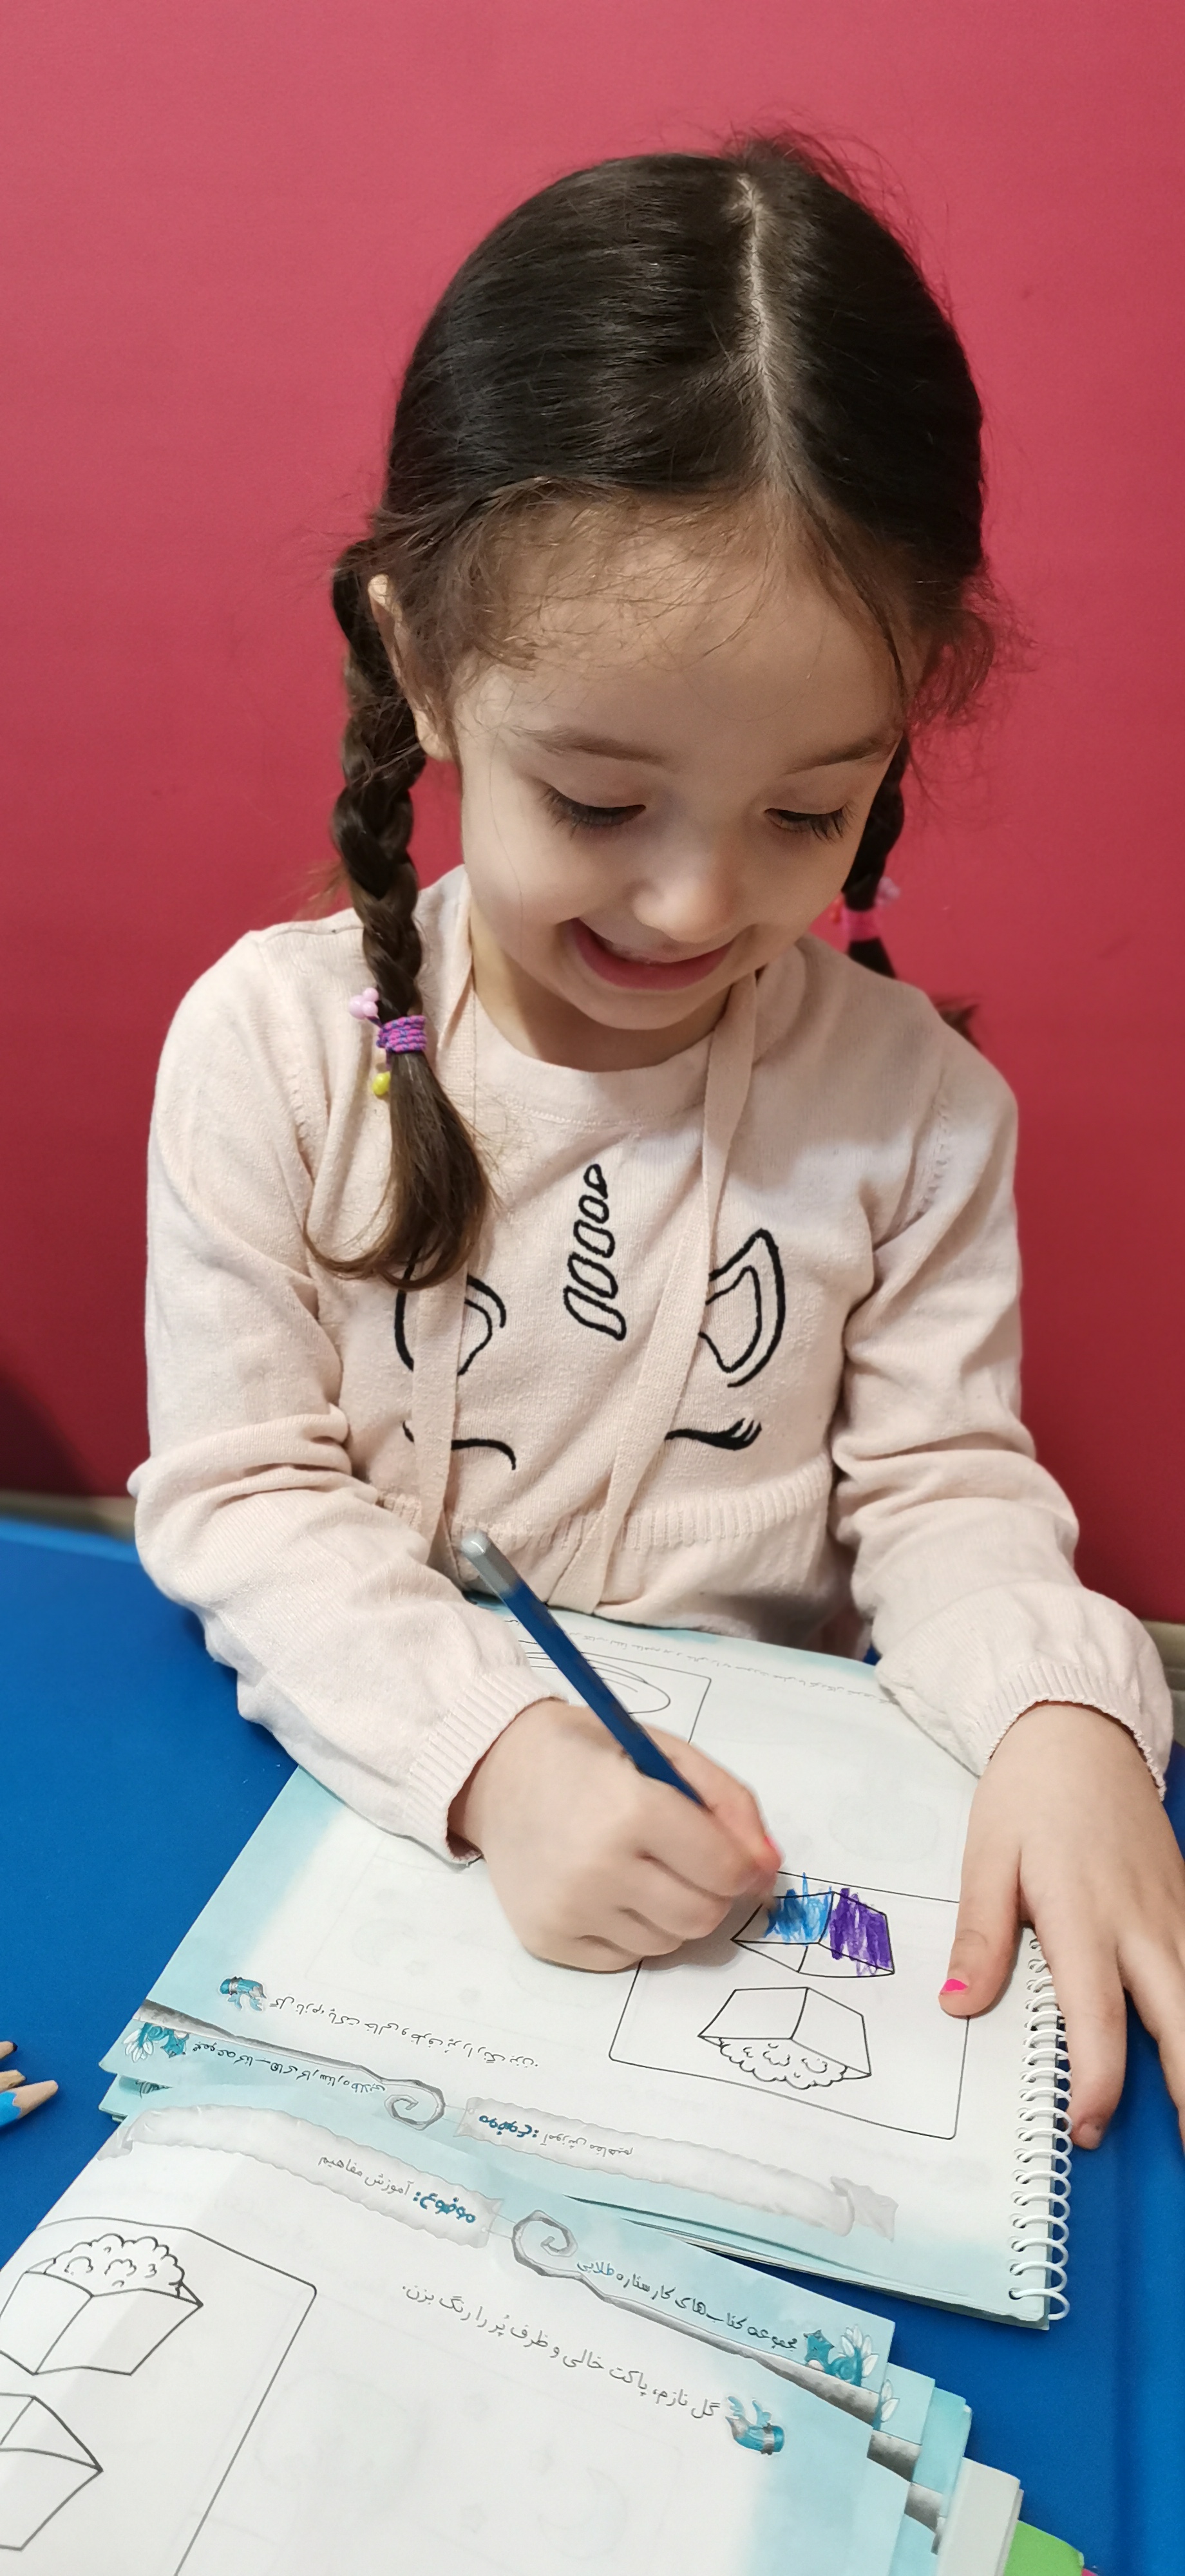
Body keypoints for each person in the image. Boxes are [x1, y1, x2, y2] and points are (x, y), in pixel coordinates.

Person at [132, 136, 1184, 2152]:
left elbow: (946, 1492)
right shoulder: (272, 1051)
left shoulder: (915, 1112)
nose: (697, 905)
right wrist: (499, 1760)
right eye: (601, 803)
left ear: (905, 727)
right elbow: (248, 1494)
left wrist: (1065, 1712)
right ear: (423, 666)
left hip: (752, 1912)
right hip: (381, 1839)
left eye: (804, 813)